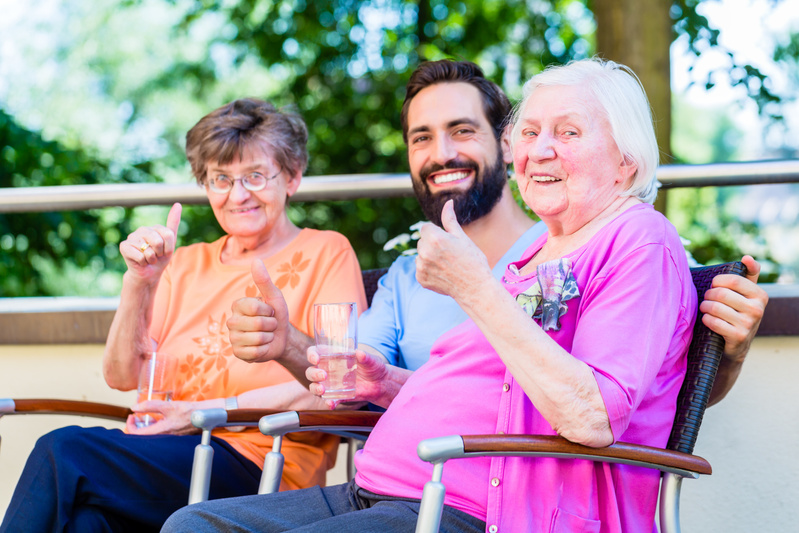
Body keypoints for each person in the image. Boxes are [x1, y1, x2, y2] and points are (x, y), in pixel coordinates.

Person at [162, 58, 762, 533]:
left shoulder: (637, 238)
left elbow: (596, 413)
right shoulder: (537, 253)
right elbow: (503, 387)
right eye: (529, 132)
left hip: (470, 505)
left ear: (627, 162)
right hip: (387, 489)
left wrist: (475, 288)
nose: (539, 149)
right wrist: (388, 385)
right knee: (195, 524)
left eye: (568, 133)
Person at [227, 59, 767, 405]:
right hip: (404, 486)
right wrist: (289, 344)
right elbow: (350, 382)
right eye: (422, 138)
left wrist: (726, 349)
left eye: (462, 131)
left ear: (507, 144)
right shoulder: (407, 276)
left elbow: (635, 393)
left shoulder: (586, 245)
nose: (442, 154)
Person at [0, 99, 367, 532]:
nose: (238, 195)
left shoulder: (327, 251)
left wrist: (198, 413)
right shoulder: (186, 263)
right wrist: (140, 281)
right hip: (166, 454)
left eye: (255, 176)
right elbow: (121, 375)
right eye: (221, 179)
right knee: (87, 521)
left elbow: (340, 386)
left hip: (258, 465)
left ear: (292, 176)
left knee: (62, 451)